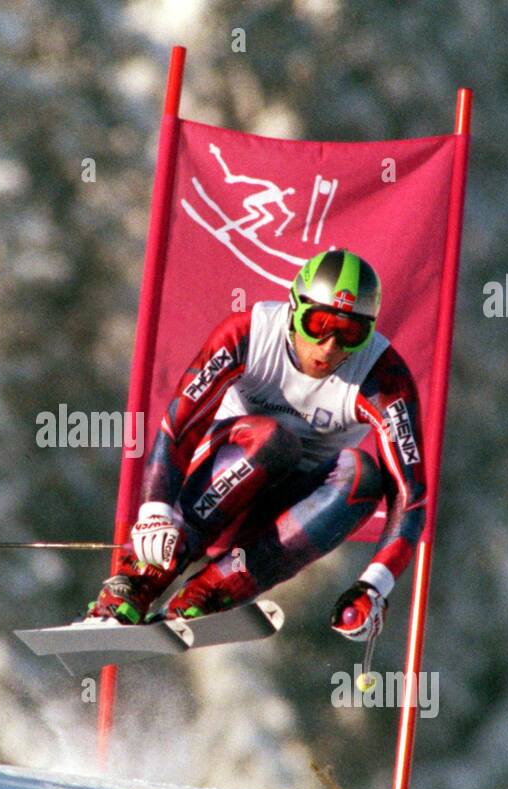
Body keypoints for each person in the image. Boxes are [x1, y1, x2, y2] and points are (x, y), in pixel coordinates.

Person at [83, 248, 427, 643]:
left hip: (281, 517)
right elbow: (179, 426)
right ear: (294, 307)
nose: (330, 347)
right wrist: (156, 511)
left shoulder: (382, 376)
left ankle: (207, 594)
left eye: (350, 333)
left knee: (363, 476)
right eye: (318, 323)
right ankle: (137, 583)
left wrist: (374, 586)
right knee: (274, 441)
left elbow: (411, 496)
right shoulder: (249, 332)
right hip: (215, 486)